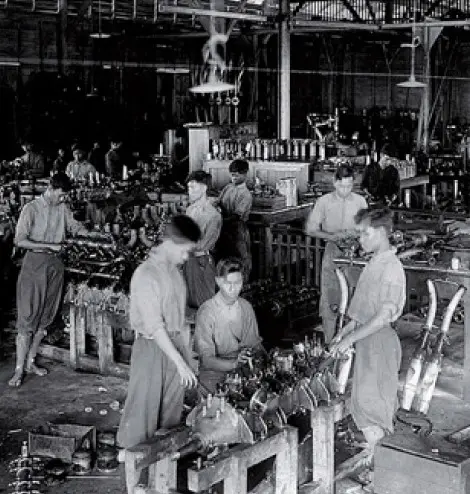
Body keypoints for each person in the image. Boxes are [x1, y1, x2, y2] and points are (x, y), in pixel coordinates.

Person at [117, 215, 200, 494]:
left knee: (170, 420)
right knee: (142, 417)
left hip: (175, 347)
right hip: (151, 349)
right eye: (185, 250)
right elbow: (155, 327)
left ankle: (160, 484)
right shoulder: (146, 275)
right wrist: (180, 363)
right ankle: (135, 486)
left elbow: (180, 322)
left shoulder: (175, 273)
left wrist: (187, 358)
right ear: (171, 243)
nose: (186, 257)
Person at [330, 207, 405, 475]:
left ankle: (383, 472)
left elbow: (382, 317)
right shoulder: (374, 263)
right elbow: (363, 312)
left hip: (380, 344)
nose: (360, 239)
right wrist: (344, 332)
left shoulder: (392, 268)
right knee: (362, 403)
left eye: (365, 233)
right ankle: (376, 458)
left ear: (382, 232)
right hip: (367, 341)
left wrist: (350, 339)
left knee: (374, 405)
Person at [8, 173, 90, 387]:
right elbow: (19, 240)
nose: (63, 199)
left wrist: (90, 234)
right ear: (51, 189)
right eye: (61, 195)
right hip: (34, 265)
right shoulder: (31, 209)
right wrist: (49, 246)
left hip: (55, 267)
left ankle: (30, 362)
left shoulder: (63, 208)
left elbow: (75, 227)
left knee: (46, 317)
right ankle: (18, 370)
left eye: (65, 196)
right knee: (27, 318)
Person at [305, 163, 367, 343]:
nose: (345, 190)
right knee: (330, 298)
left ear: (353, 183)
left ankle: (351, 343)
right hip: (333, 252)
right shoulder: (324, 202)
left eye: (349, 186)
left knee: (354, 298)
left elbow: (366, 228)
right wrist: (332, 236)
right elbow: (310, 229)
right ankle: (329, 342)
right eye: (341, 186)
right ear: (335, 182)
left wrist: (356, 235)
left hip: (355, 254)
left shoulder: (360, 202)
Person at [194, 258, 263, 393]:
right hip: (213, 374)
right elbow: (206, 360)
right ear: (218, 281)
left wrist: (257, 356)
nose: (233, 289)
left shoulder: (245, 307)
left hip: (241, 370)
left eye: (238, 283)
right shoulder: (207, 311)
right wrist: (234, 364)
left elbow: (254, 344)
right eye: (228, 283)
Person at [183, 171, 222, 309]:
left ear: (204, 188)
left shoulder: (214, 215)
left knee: (204, 305)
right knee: (187, 305)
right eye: (188, 187)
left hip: (202, 263)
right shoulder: (189, 210)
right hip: (187, 261)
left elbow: (204, 245)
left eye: (193, 187)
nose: (189, 191)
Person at [215, 159, 253, 281]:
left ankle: (243, 283)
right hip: (223, 229)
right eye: (232, 175)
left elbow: (236, 216)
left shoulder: (246, 194)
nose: (234, 178)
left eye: (237, 175)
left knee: (239, 258)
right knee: (223, 258)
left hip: (237, 230)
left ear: (245, 174)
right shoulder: (227, 188)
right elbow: (218, 203)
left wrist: (220, 220)